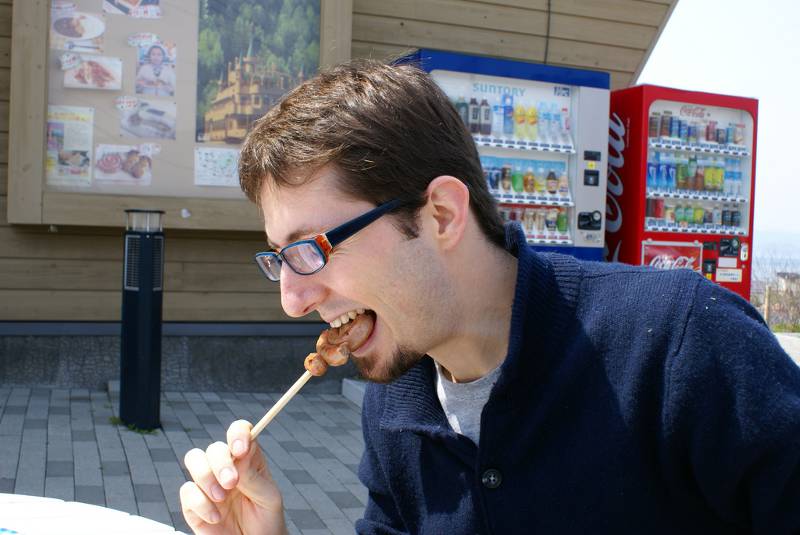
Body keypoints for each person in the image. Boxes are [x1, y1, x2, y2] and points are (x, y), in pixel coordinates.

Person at [179, 60, 800, 534]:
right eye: (279, 259)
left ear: (443, 215)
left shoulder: (679, 344)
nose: (291, 299)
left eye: (310, 247)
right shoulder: (397, 408)